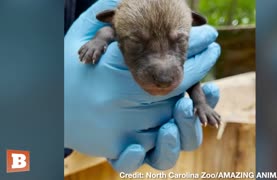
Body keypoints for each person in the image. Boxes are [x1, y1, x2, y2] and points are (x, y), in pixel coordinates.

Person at [64, 0, 221, 173]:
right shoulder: (120, 20)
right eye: (137, 42)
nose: (163, 74)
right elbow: (107, 31)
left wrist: (201, 104)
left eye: (179, 41)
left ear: (192, 21)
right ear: (112, 18)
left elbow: (192, 82)